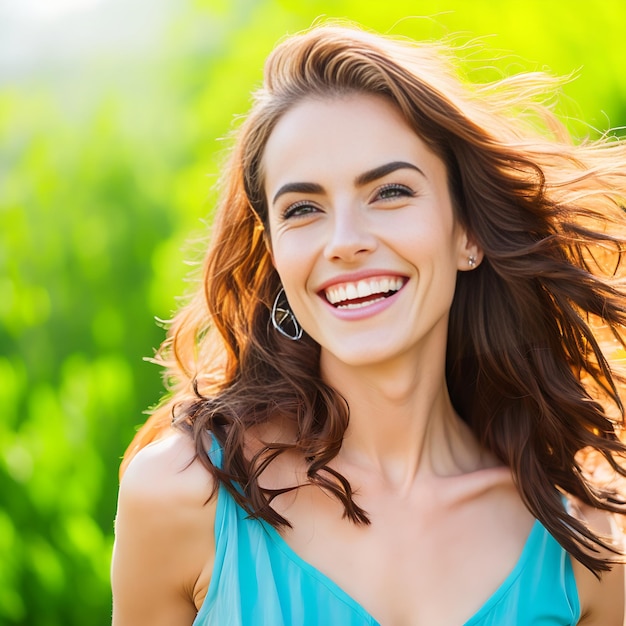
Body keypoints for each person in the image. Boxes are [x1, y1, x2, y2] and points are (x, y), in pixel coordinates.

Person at [111, 23, 626, 625]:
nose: (345, 242)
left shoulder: (589, 538)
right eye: (303, 209)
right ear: (276, 254)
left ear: (467, 233)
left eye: (390, 192)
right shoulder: (182, 496)